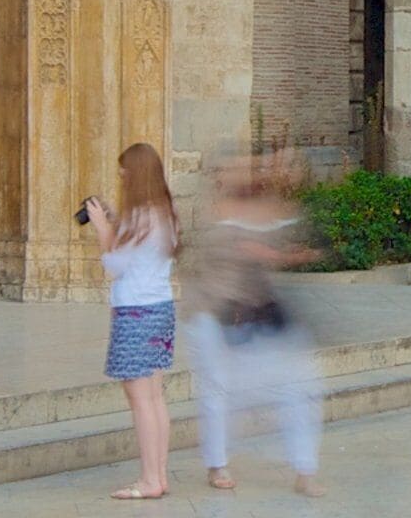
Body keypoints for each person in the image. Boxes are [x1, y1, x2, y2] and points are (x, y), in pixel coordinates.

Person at [187, 152, 320, 497]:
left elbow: (271, 239)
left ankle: (304, 470)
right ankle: (217, 463)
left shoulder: (258, 216)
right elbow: (245, 249)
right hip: (214, 316)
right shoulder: (219, 224)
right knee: (217, 392)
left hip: (254, 317)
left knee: (296, 390)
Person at [84, 141, 181, 501]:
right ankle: (159, 474)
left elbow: (114, 266)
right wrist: (114, 225)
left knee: (141, 399)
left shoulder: (140, 218)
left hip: (136, 313)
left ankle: (149, 479)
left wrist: (101, 229)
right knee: (154, 397)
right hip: (160, 309)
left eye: (125, 171)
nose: (121, 176)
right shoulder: (165, 212)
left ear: (137, 174)